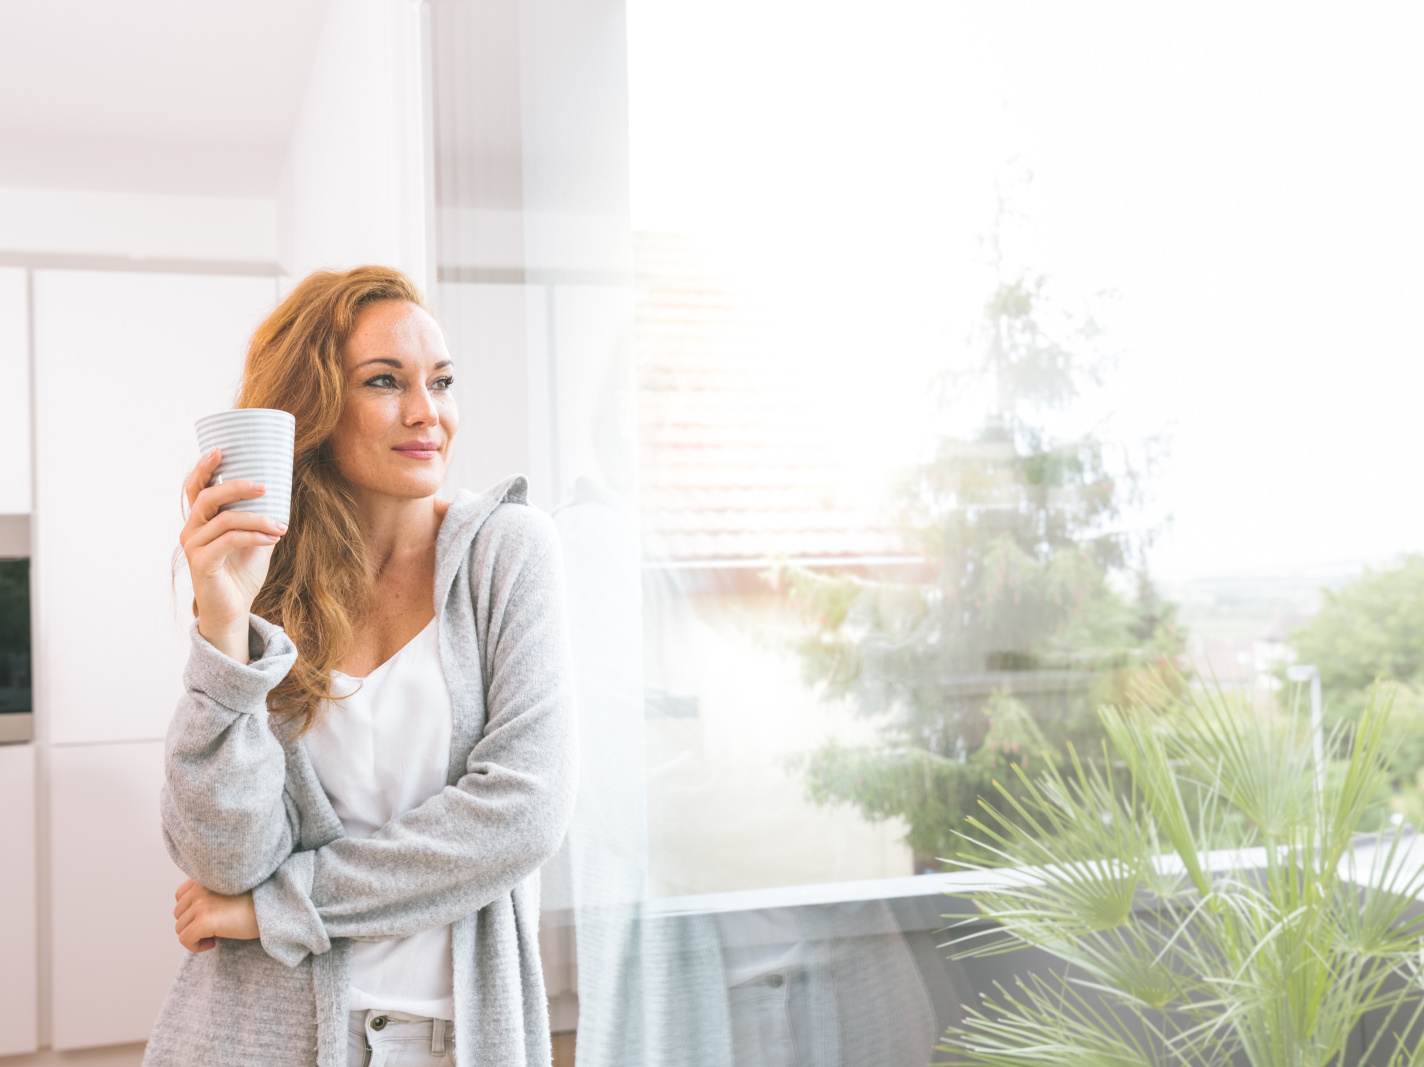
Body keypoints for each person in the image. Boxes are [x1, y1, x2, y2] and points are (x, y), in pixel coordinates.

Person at [143, 267, 577, 1067]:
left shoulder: (508, 554)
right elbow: (224, 860)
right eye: (385, 381)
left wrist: (281, 904)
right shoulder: (267, 578)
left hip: (454, 1042)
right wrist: (223, 625)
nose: (428, 412)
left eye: (440, 381)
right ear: (312, 410)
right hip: (263, 1037)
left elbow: (523, 813)